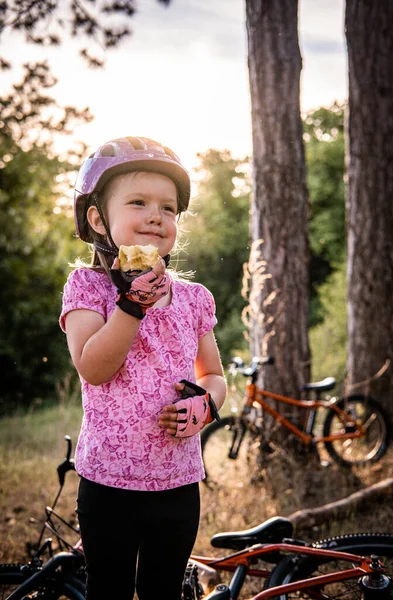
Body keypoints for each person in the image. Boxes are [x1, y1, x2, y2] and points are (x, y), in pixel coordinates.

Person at [59, 136, 226, 600]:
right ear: (98, 219)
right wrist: (132, 305)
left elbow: (213, 373)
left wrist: (205, 406)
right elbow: (93, 368)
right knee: (109, 589)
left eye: (168, 208)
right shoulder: (88, 289)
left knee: (162, 590)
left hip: (177, 482)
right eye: (138, 202)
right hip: (109, 482)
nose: (157, 215)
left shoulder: (193, 298)